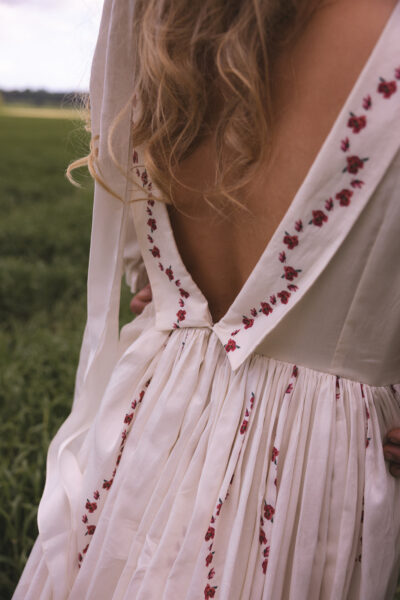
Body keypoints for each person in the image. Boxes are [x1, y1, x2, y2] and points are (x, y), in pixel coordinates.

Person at [13, 0, 400, 598]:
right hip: (316, 480)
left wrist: (178, 296)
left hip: (145, 434)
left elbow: (144, 269)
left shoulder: (152, 12)